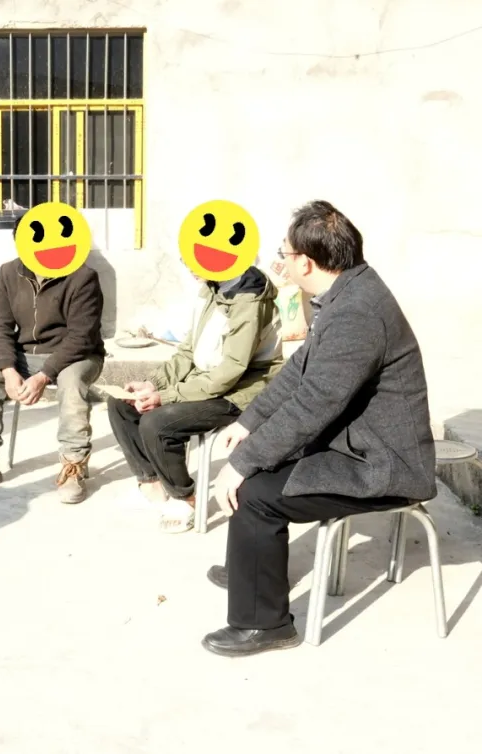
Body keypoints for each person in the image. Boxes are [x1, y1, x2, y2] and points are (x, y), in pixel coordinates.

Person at [202, 200, 436, 657]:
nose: (281, 261)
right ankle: (250, 568)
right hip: (356, 443)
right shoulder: (346, 293)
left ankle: (264, 625)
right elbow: (299, 374)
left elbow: (315, 403)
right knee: (258, 466)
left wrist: (243, 462)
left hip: (383, 463)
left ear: (306, 262)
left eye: (284, 253)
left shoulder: (357, 313)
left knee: (253, 491)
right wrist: (249, 423)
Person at [106, 266, 283, 533]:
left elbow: (229, 372)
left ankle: (185, 498)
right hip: (204, 382)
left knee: (158, 423)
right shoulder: (211, 289)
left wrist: (167, 396)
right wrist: (153, 384)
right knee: (122, 404)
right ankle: (152, 484)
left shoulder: (249, 301)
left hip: (240, 392)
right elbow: (188, 351)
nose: (189, 265)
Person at [0, 221, 106, 504]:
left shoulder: (83, 276)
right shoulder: (9, 272)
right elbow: (0, 327)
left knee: (72, 382)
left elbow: (81, 337)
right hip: (26, 355)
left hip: (78, 356)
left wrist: (43, 376)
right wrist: (8, 369)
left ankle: (73, 466)